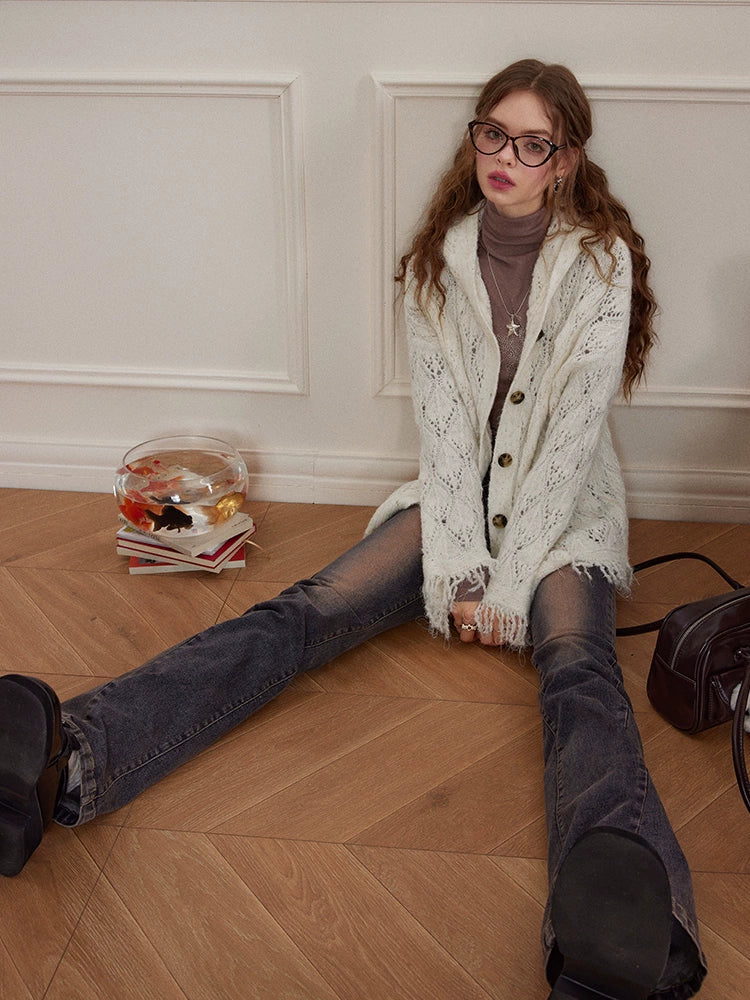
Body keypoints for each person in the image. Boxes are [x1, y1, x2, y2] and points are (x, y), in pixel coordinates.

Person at [0, 59, 706, 999]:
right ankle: (70, 755)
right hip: (451, 502)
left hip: (565, 510)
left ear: (566, 160)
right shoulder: (439, 261)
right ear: (475, 136)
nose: (506, 156)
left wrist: (506, 591)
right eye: (493, 133)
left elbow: (571, 442)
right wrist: (457, 566)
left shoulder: (600, 263)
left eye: (533, 144)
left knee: (578, 665)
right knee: (309, 609)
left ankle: (624, 927)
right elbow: (446, 437)